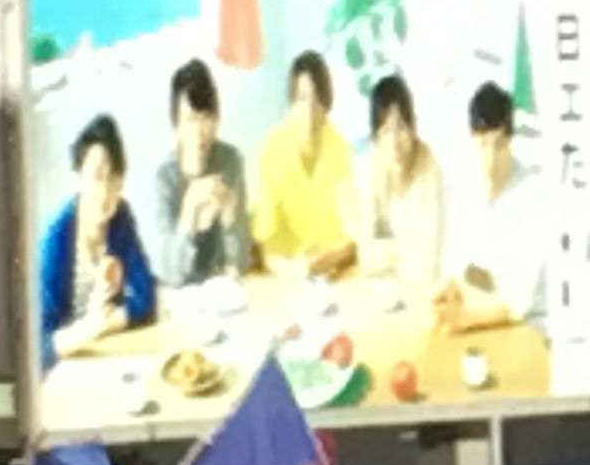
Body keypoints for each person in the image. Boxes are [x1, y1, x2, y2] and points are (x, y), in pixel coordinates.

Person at [36, 114, 155, 362]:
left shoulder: (120, 217)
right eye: (97, 176)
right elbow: (41, 346)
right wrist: (91, 326)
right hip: (67, 364)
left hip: (109, 350)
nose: (105, 190)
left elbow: (146, 297)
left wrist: (106, 323)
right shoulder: (54, 238)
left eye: (113, 177)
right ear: (79, 176)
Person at [439, 80, 552, 330]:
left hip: (528, 325)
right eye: (483, 144)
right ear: (472, 138)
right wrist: (449, 288)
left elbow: (519, 299)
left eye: (499, 145)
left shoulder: (531, 195)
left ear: (510, 139)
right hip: (479, 315)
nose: (490, 159)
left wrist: (468, 318)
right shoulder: (465, 186)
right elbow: (454, 261)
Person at [250, 48, 358, 275]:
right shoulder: (273, 149)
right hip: (284, 271)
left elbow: (352, 230)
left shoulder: (340, 150)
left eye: (316, 101)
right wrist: (294, 266)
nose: (309, 111)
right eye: (302, 99)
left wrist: (331, 257)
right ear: (291, 101)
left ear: (327, 104)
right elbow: (263, 239)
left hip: (330, 271)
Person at [148, 56, 253, 285]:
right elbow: (168, 274)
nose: (199, 132)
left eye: (206, 118)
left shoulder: (230, 162)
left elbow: (243, 262)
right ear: (176, 124)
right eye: (190, 120)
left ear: (216, 119)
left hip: (224, 292)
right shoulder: (164, 178)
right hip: (181, 297)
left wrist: (230, 222)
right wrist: (189, 214)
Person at [358, 73, 449, 296]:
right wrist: (397, 257)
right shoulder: (372, 168)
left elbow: (428, 267)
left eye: (401, 127)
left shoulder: (430, 173)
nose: (394, 142)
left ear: (413, 127)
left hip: (427, 296)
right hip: (381, 295)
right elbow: (367, 257)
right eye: (385, 131)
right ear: (375, 137)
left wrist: (390, 257)